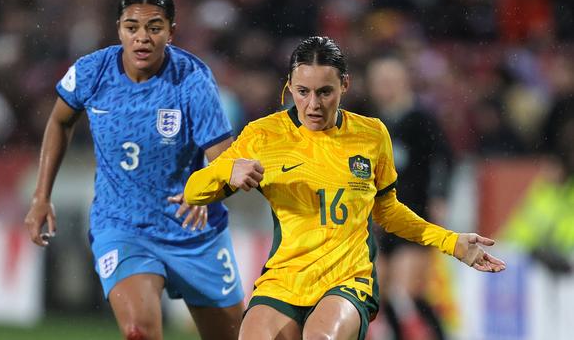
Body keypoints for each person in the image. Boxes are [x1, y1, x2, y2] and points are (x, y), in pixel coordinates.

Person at [183, 36, 506, 340]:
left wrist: (450, 241)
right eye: (302, 91)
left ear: (345, 85)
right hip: (284, 280)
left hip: (348, 280)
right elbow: (194, 192)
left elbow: (387, 210)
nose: (312, 104)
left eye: (325, 92)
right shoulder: (264, 135)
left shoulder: (371, 134)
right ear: (289, 88)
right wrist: (227, 170)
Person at [24, 0, 244, 340]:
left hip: (194, 233)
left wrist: (208, 191)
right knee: (138, 330)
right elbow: (59, 121)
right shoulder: (92, 73)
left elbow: (225, 158)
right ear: (119, 29)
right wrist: (41, 196)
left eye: (154, 28)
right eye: (132, 27)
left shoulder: (192, 80)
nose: (142, 38)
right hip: (123, 227)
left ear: (171, 32)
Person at [365, 56, 453, 340]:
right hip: (383, 220)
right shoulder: (371, 124)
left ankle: (440, 335)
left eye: (390, 81)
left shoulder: (421, 119)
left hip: (415, 214)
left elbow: (444, 159)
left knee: (407, 292)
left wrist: (439, 196)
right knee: (383, 292)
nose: (385, 88)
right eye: (379, 82)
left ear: (404, 83)